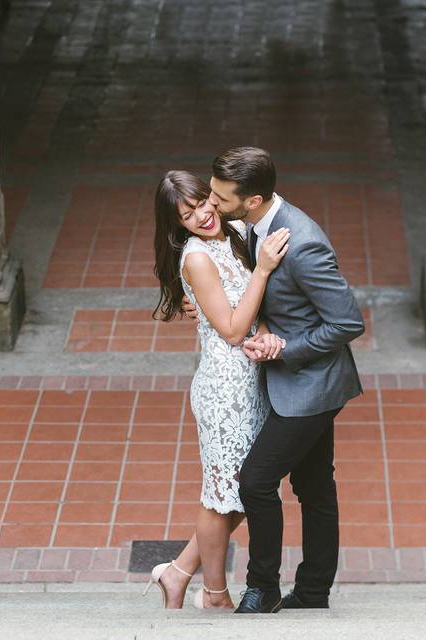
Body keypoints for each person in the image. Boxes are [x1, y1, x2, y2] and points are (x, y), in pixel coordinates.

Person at [184, 147, 364, 613]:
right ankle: (312, 593)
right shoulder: (249, 227)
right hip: (287, 381)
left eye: (221, 199)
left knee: (256, 481)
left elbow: (347, 323)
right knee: (315, 487)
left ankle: (261, 589)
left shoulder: (302, 242)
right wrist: (195, 305)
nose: (212, 205)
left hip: (312, 384)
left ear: (253, 200)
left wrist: (285, 347)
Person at [146, 170, 289, 609]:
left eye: (204, 203)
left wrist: (263, 325)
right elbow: (230, 329)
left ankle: (177, 573)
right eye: (188, 215)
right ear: (177, 225)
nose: (203, 216)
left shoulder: (238, 231)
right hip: (224, 390)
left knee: (246, 492)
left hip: (255, 383)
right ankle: (214, 594)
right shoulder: (195, 258)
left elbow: (271, 201)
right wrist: (262, 270)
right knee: (220, 496)